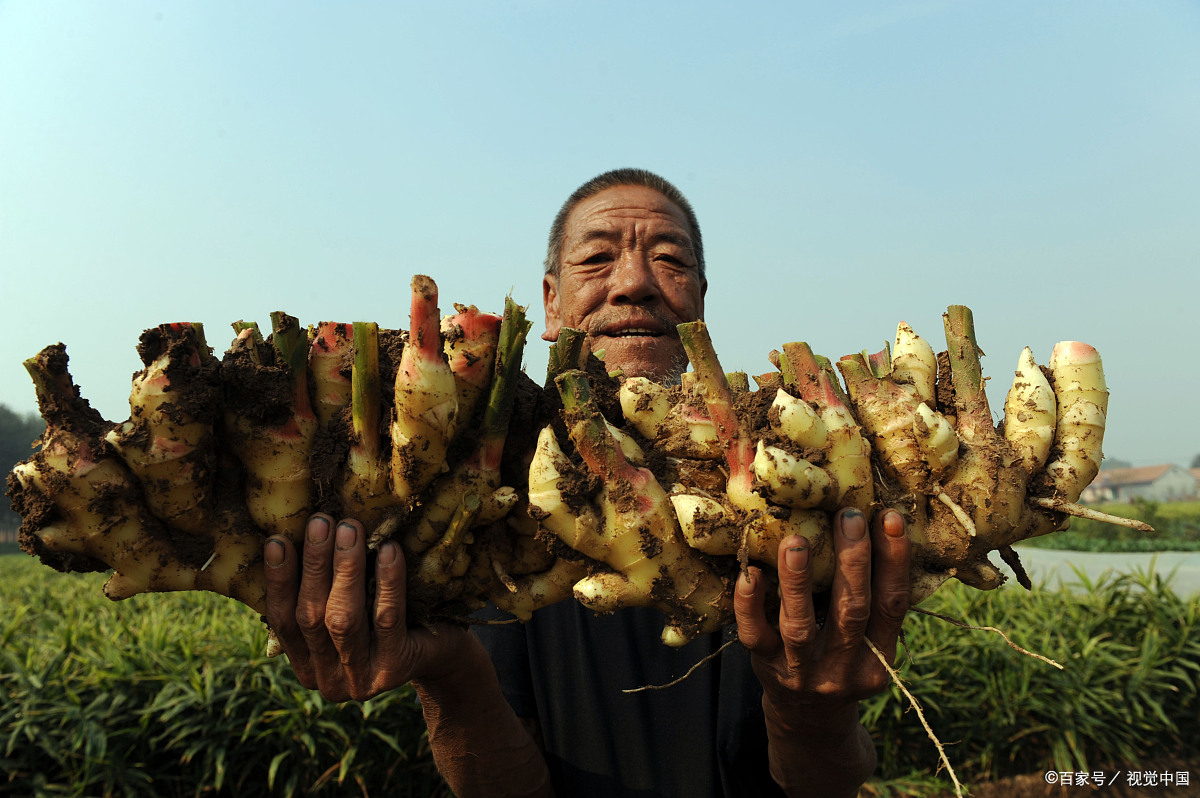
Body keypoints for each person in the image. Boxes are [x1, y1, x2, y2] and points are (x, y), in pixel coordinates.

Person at [262, 169, 911, 798]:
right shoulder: (491, 504)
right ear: (549, 304)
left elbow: (827, 781)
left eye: (670, 261)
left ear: (700, 302)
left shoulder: (791, 488)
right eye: (598, 259)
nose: (634, 283)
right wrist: (447, 672)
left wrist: (811, 714)